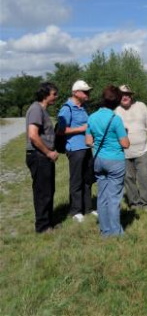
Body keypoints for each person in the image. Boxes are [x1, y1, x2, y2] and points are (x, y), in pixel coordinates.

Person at [86, 85, 129, 237]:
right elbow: (125, 144)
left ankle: (105, 231)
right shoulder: (115, 119)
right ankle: (116, 232)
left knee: (102, 196)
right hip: (115, 161)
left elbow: (88, 141)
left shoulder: (91, 117)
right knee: (114, 197)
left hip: (98, 160)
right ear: (116, 102)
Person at [115, 85, 147, 211]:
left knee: (144, 176)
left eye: (127, 94)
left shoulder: (141, 106)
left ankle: (145, 202)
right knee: (128, 178)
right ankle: (134, 203)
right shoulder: (115, 110)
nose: (125, 96)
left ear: (131, 95)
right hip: (123, 152)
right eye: (122, 94)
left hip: (142, 150)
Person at [57, 80, 96, 222]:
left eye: (88, 91)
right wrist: (81, 129)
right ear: (75, 93)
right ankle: (75, 210)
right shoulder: (67, 109)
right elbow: (61, 130)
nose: (88, 94)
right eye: (85, 91)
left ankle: (88, 208)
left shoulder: (84, 107)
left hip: (86, 147)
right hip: (75, 148)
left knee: (88, 179)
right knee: (76, 180)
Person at [25, 82, 60, 233]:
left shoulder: (42, 110)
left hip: (43, 156)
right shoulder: (36, 109)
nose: (56, 97)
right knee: (42, 192)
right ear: (45, 95)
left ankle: (48, 222)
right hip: (39, 156)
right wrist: (48, 152)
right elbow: (33, 135)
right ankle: (42, 226)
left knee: (48, 190)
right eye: (54, 94)